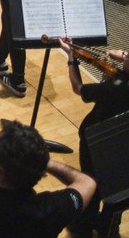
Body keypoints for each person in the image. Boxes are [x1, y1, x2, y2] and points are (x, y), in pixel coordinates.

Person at [58, 36, 129, 234]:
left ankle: (85, 224)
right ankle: (109, 225)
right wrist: (122, 58)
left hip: (98, 141)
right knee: (117, 184)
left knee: (91, 180)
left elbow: (78, 88)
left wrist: (71, 57)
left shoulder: (114, 89)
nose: (124, 56)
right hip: (124, 143)